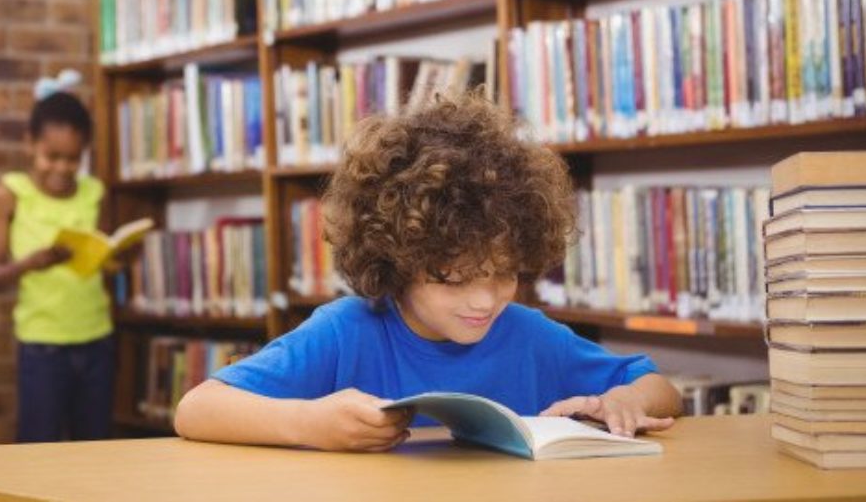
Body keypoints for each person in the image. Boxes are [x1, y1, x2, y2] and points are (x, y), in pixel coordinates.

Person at [174, 89, 682, 452]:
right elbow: (196, 409)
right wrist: (308, 422)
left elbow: (657, 384)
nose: (485, 301)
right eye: (454, 279)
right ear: (399, 261)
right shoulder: (346, 330)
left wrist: (624, 401)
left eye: (503, 274)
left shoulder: (527, 334)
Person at [0, 75, 115, 443]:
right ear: (30, 144)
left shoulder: (94, 192)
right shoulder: (11, 193)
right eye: (51, 156)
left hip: (97, 339)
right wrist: (32, 262)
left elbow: (105, 254)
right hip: (42, 346)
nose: (61, 167)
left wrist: (117, 256)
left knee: (97, 445)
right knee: (38, 443)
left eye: (72, 159)